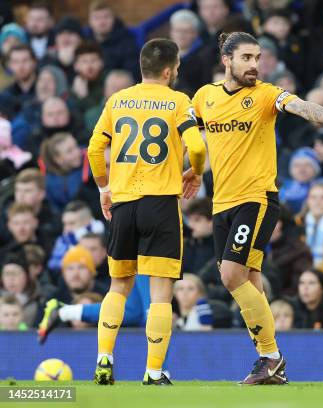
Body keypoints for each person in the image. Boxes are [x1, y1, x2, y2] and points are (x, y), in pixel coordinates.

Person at [190, 32, 323, 385]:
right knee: (249, 280)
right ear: (227, 60)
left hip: (257, 199)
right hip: (222, 203)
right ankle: (271, 364)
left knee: (231, 276)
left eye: (258, 57)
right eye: (247, 58)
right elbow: (196, 137)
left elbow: (299, 105)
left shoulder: (264, 94)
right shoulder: (205, 97)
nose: (255, 65)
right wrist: (192, 166)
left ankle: (271, 356)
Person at [41, 39, 206, 385]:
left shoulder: (118, 100)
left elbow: (94, 148)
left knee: (118, 286)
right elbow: (196, 145)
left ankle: (104, 360)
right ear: (168, 70)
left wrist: (104, 187)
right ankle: (153, 371)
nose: (177, 72)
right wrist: (196, 171)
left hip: (124, 203)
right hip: (161, 203)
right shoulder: (178, 101)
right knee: (161, 293)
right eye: (176, 68)